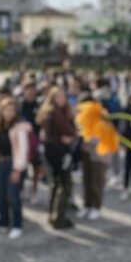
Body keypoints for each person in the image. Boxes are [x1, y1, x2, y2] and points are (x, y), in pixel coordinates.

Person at [0, 98, 30, 239]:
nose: (9, 113)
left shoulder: (19, 127)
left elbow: (23, 150)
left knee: (13, 196)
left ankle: (17, 225)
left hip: (14, 164)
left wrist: (17, 170)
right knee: (0, 194)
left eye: (12, 110)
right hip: (1, 165)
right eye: (6, 110)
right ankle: (3, 222)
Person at [39, 87, 76, 229]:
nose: (62, 99)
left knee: (55, 185)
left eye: (63, 97)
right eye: (58, 97)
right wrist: (70, 135)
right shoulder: (55, 113)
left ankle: (53, 215)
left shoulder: (52, 112)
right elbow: (70, 131)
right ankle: (58, 218)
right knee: (64, 185)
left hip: (53, 153)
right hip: (59, 153)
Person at [18, 81, 43, 205]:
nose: (31, 91)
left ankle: (34, 191)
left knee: (36, 167)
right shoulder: (19, 104)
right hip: (23, 140)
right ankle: (21, 189)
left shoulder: (40, 104)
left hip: (36, 140)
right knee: (22, 166)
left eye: (33, 88)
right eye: (28, 89)